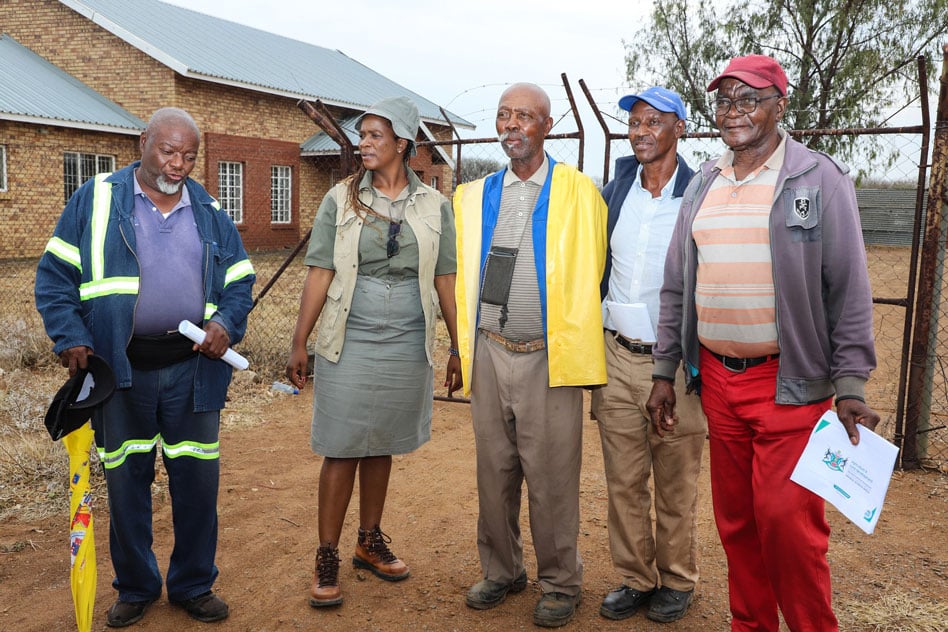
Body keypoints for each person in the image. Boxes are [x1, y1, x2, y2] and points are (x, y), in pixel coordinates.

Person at [646, 55, 880, 631]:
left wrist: (850, 385)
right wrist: (663, 372)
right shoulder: (703, 182)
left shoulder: (817, 178)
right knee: (738, 523)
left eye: (749, 99)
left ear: (780, 104)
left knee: (788, 525)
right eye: (724, 101)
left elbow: (847, 287)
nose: (734, 112)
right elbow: (677, 283)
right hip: (719, 385)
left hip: (789, 385)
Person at [35, 107, 255, 627]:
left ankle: (193, 585)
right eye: (168, 151)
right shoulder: (96, 199)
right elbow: (54, 280)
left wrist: (226, 320)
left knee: (197, 482)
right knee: (126, 481)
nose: (178, 165)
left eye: (189, 155)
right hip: (121, 372)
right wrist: (70, 338)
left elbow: (241, 280)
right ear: (143, 143)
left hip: (191, 372)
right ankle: (135, 587)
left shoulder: (209, 208)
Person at [285, 96, 462, 609]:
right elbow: (320, 271)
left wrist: (455, 344)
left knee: (381, 439)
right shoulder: (339, 200)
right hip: (350, 333)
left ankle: (369, 540)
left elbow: (444, 277)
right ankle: (326, 554)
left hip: (408, 335)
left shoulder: (434, 206)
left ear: (402, 144)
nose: (363, 143)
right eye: (361, 135)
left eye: (374, 136)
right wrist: (301, 341)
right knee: (342, 443)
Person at [454, 83, 608, 628]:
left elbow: (596, 269)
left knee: (552, 476)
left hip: (551, 356)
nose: (511, 125)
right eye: (503, 116)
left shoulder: (578, 192)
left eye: (524, 116)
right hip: (490, 351)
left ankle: (561, 583)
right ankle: (502, 571)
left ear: (548, 126)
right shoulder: (472, 196)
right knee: (493, 472)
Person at [592, 87, 706, 624]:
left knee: (676, 479)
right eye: (634, 122)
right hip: (615, 356)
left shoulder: (699, 195)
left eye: (653, 121)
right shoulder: (615, 191)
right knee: (624, 479)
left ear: (679, 128)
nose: (640, 131)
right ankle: (636, 577)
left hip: (678, 366)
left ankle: (678, 580)